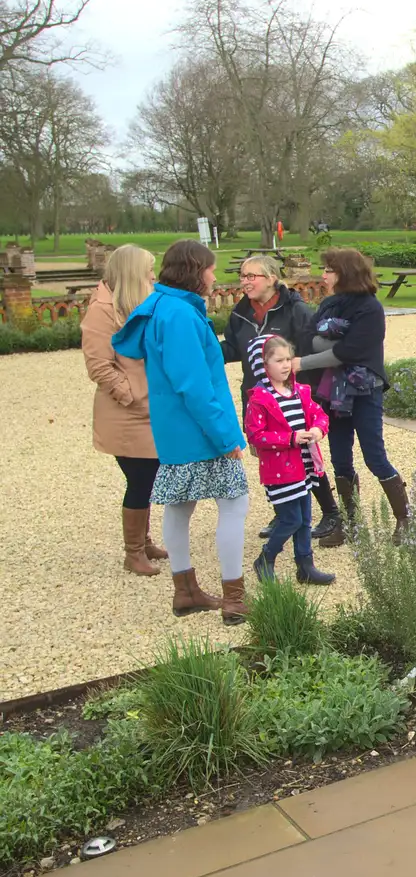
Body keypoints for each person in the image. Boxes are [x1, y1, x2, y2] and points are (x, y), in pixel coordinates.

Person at [111, 240, 251, 623]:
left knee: (179, 506)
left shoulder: (161, 306)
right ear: (194, 270)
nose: (214, 275)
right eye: (210, 268)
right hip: (200, 433)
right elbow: (194, 385)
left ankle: (186, 592)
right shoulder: (180, 315)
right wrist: (226, 438)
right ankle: (235, 598)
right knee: (234, 504)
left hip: (174, 432)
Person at [290, 248, 405, 546]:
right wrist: (327, 343)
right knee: (340, 459)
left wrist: (305, 361)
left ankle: (405, 519)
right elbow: (308, 337)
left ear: (345, 273)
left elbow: (350, 351)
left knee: (375, 457)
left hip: (364, 391)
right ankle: (351, 525)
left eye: (329, 270)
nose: (323, 275)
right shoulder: (330, 304)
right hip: (333, 393)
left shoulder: (370, 308)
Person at [220, 255, 340, 540]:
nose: (245, 281)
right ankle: (283, 513)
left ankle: (331, 512)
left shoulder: (295, 310)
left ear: (272, 278)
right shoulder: (240, 314)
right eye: (243, 276)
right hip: (259, 399)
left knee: (304, 456)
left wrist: (309, 395)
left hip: (291, 398)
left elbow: (311, 350)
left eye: (253, 276)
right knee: (270, 456)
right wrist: (203, 349)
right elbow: (234, 349)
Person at [82, 243, 168, 577]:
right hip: (126, 411)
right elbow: (98, 366)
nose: (153, 274)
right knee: (141, 477)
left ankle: (142, 541)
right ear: (133, 272)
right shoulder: (102, 311)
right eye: (148, 268)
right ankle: (133, 552)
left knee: (147, 476)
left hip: (147, 409)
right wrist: (130, 394)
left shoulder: (136, 303)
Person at [245, 336, 336, 585]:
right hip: (279, 472)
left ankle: (305, 566)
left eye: (288, 359)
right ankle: (266, 558)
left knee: (305, 519)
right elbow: (256, 435)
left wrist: (318, 429)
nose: (286, 365)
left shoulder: (299, 392)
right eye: (278, 360)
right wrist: (291, 438)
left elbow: (319, 415)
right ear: (263, 365)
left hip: (305, 467)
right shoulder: (259, 399)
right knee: (291, 519)